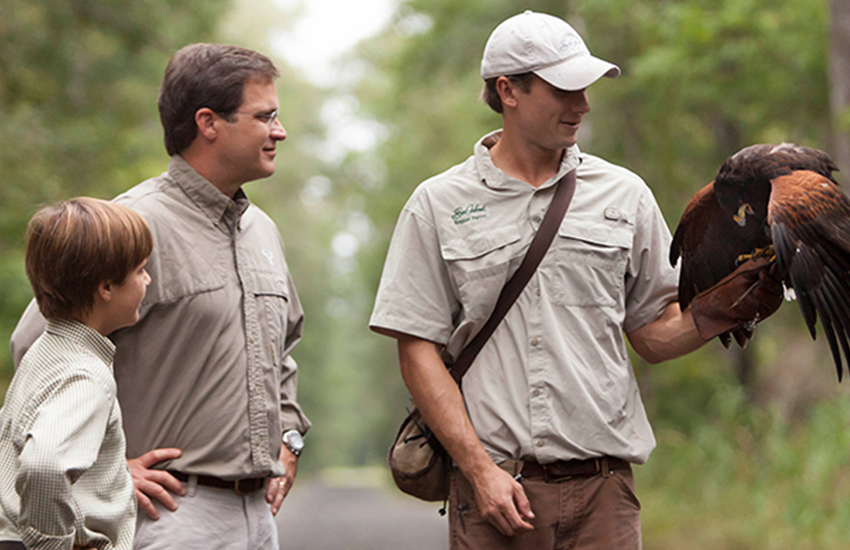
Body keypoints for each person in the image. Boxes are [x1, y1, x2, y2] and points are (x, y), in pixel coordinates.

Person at [369, 11, 783, 550]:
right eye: (564, 89)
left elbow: (653, 334)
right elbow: (416, 350)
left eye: (584, 89)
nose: (582, 106)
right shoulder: (438, 205)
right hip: (497, 494)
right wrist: (479, 470)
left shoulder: (625, 194)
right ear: (507, 90)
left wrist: (726, 307)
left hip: (604, 496)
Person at [10, 44, 310, 549]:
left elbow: (281, 353)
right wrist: (107, 471)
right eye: (266, 117)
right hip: (167, 514)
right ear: (208, 122)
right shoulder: (134, 226)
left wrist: (289, 437)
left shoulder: (263, 231)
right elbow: (36, 346)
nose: (279, 131)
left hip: (258, 516)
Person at [0, 198, 152, 550]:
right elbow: (44, 464)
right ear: (106, 288)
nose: (148, 279)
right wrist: (54, 544)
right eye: (140, 270)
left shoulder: (46, 350)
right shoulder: (85, 375)